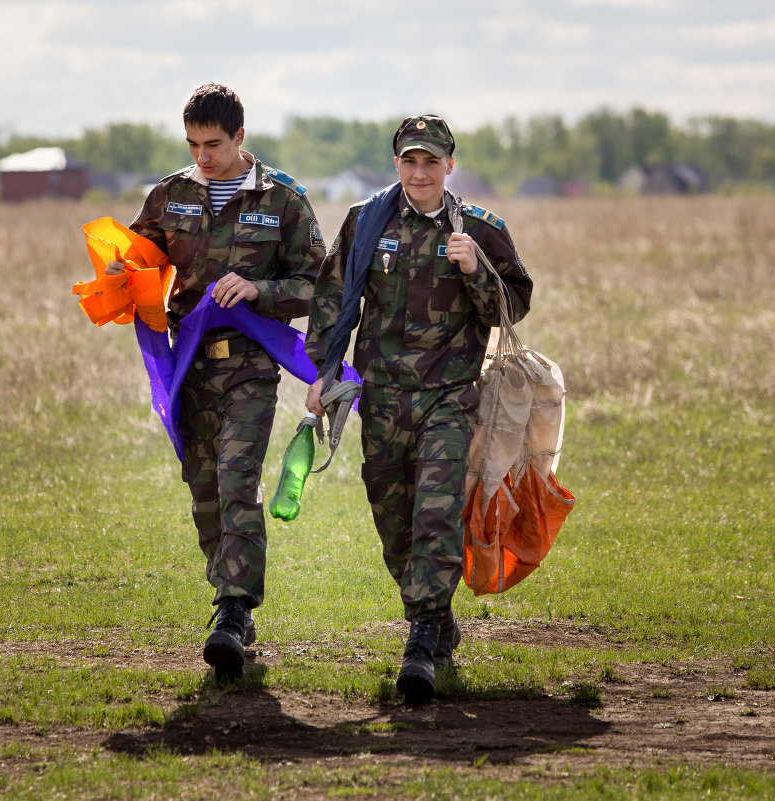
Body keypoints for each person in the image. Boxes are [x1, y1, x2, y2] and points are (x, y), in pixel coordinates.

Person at [304, 114, 533, 704]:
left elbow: (512, 308)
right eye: (410, 160)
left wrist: (474, 267)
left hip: (448, 398)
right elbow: (334, 301)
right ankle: (432, 616)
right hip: (381, 399)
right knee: (394, 521)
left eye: (432, 161)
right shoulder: (366, 222)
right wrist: (323, 373)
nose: (421, 171)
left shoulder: (480, 229)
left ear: (450, 165)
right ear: (398, 165)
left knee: (435, 515)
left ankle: (421, 636)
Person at [109, 83, 326, 680]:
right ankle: (232, 604)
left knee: (237, 478)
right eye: (193, 145)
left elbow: (319, 285)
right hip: (189, 364)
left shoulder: (283, 200)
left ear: (239, 138)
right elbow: (139, 257)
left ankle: (232, 610)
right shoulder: (170, 195)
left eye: (214, 145)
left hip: (252, 367)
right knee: (205, 489)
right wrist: (119, 270)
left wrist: (261, 290)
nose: (203, 158)